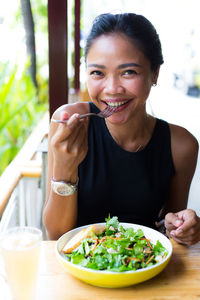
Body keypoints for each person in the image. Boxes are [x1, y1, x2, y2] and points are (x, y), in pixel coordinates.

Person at [43, 13, 200, 245]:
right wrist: (66, 169)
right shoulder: (71, 126)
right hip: (79, 269)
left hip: (143, 268)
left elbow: (167, 231)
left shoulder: (181, 146)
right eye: (98, 72)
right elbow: (56, 236)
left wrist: (181, 226)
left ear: (154, 73)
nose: (112, 89)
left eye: (128, 72)